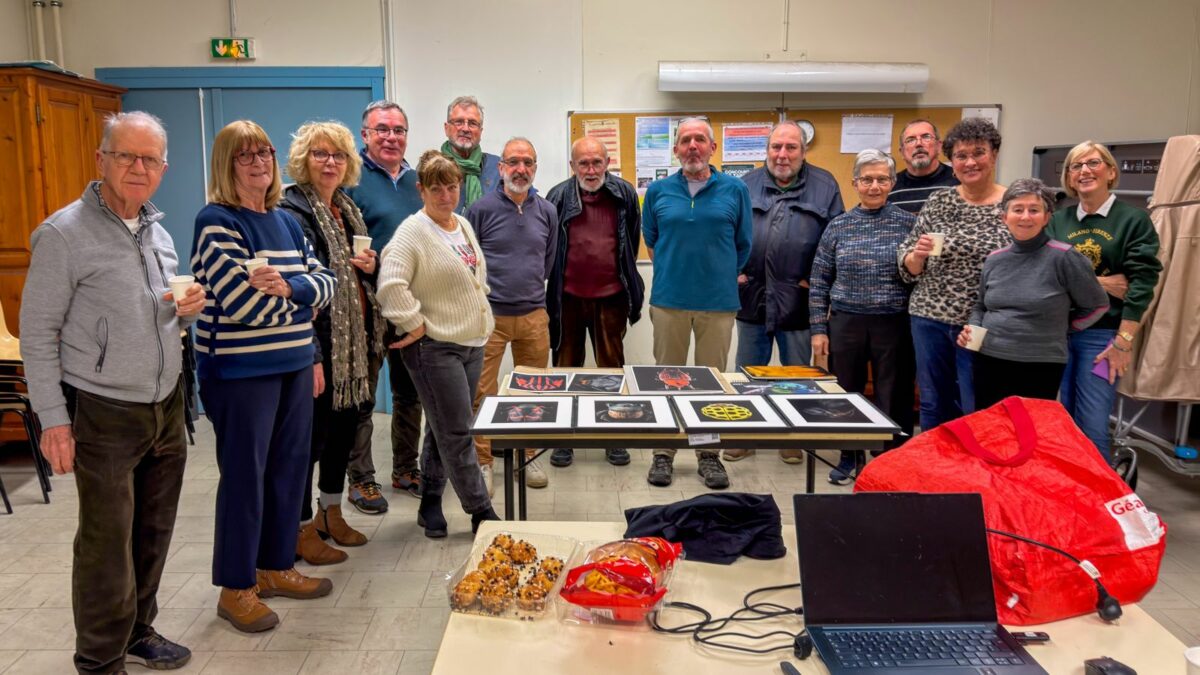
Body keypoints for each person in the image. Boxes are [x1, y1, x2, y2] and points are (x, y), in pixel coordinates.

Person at [20, 111, 202, 673]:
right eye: (126, 155)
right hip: (101, 409)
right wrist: (53, 419)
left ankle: (137, 630)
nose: (137, 168)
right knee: (105, 544)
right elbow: (37, 331)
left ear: (164, 169)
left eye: (149, 159)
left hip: (164, 405)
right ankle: (99, 659)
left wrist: (185, 314)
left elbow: (156, 315)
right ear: (102, 159)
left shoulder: (160, 232)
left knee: (153, 530)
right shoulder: (63, 234)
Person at [191, 120, 337, 633]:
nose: (258, 163)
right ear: (227, 165)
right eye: (244, 156)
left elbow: (328, 284)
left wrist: (293, 290)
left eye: (265, 153)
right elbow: (242, 304)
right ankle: (236, 587)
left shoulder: (286, 221)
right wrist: (303, 300)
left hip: (294, 365)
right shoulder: (217, 221)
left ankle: (275, 567)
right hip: (238, 372)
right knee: (245, 479)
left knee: (288, 471)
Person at [377, 149, 501, 538]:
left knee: (442, 428)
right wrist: (414, 324)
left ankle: (430, 502)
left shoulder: (461, 224)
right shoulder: (412, 232)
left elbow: (474, 275)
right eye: (436, 188)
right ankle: (481, 511)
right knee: (459, 431)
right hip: (435, 347)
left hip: (471, 341)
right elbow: (390, 285)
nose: (445, 195)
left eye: (451, 187)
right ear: (421, 190)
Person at [280, 121, 383, 565]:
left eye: (338, 155)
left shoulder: (345, 208)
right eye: (321, 154)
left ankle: (331, 513)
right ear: (304, 159)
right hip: (319, 346)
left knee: (341, 434)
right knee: (310, 442)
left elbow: (355, 276)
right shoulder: (292, 212)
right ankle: (300, 529)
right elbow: (301, 287)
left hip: (353, 344)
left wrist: (370, 265)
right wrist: (315, 356)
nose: (330, 163)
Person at [642, 117, 752, 489]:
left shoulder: (735, 190)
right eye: (685, 140)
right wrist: (679, 272)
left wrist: (717, 276)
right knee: (666, 381)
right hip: (669, 301)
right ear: (676, 149)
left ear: (712, 148)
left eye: (700, 140)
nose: (692, 146)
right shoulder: (657, 191)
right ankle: (664, 452)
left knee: (711, 383)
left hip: (718, 304)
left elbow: (744, 244)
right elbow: (652, 240)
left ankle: (708, 455)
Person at [727, 120, 844, 464]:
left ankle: (791, 436)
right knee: (747, 371)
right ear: (766, 150)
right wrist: (732, 271)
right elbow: (727, 233)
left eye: (791, 148)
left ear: (803, 151)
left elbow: (835, 239)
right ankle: (744, 434)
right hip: (752, 297)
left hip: (799, 299)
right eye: (776, 147)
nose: (782, 155)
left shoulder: (825, 186)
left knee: (796, 373)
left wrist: (819, 280)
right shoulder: (745, 185)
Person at [1047, 141, 1162, 460]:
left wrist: (1124, 342)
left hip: (1104, 340)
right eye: (1076, 166)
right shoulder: (1059, 221)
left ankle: (1101, 504)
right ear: (1069, 178)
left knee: (1093, 425)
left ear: (1111, 171)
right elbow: (1049, 274)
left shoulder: (1133, 221)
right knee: (1063, 423)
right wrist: (1102, 282)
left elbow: (1140, 285)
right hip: (1060, 335)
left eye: (1094, 163)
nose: (1085, 171)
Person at [809, 149, 917, 483]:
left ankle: (891, 462)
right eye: (867, 179)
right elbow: (819, 280)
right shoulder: (838, 226)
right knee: (847, 394)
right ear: (855, 183)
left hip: (894, 323)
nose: (874, 186)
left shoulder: (908, 223)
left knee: (894, 394)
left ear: (892, 182)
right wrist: (818, 328)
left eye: (882, 179)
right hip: (846, 323)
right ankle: (848, 457)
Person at [897, 117, 1011, 431]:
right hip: (929, 318)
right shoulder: (939, 200)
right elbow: (907, 254)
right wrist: (914, 256)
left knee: (975, 400)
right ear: (952, 161)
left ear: (994, 154)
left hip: (981, 323)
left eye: (979, 153)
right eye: (961, 156)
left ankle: (971, 472)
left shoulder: (1014, 205)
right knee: (933, 401)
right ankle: (936, 473)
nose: (970, 162)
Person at [959, 178, 1109, 409]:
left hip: (1040, 362)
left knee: (1029, 433)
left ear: (1047, 217)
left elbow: (1097, 306)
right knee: (990, 431)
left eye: (1034, 210)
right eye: (1018, 209)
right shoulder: (995, 259)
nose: (1025, 217)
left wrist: (1062, 327)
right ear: (1004, 217)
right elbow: (981, 306)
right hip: (989, 359)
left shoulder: (1065, 257)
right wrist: (972, 328)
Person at [544, 136, 645, 468]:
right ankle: (564, 440)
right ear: (572, 166)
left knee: (611, 372)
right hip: (568, 298)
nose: (590, 169)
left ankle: (613, 437)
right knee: (566, 370)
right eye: (583, 163)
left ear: (607, 162)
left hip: (611, 298)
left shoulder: (625, 194)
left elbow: (630, 240)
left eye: (596, 162)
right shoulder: (557, 196)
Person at [345, 100, 425, 512]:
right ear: (365, 135)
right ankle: (361, 479)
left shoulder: (417, 181)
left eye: (398, 130)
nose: (391, 137)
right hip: (364, 305)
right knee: (362, 395)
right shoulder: (349, 178)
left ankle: (406, 470)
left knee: (410, 393)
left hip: (409, 306)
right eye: (382, 130)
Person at [467, 137, 559, 491]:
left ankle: (527, 457)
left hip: (535, 314)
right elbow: (470, 263)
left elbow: (547, 261)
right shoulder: (480, 210)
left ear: (535, 168)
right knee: (483, 392)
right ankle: (484, 462)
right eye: (513, 162)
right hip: (490, 316)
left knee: (533, 392)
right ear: (501, 167)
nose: (521, 169)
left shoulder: (548, 210)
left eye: (528, 162)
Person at [441, 96, 501, 212]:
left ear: (480, 131)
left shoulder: (498, 168)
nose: (465, 128)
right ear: (447, 128)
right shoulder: (430, 167)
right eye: (459, 122)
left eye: (473, 123)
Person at [887, 119, 959, 213]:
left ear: (938, 146)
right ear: (902, 152)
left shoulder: (959, 180)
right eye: (910, 140)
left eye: (926, 137)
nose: (919, 144)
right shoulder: (890, 186)